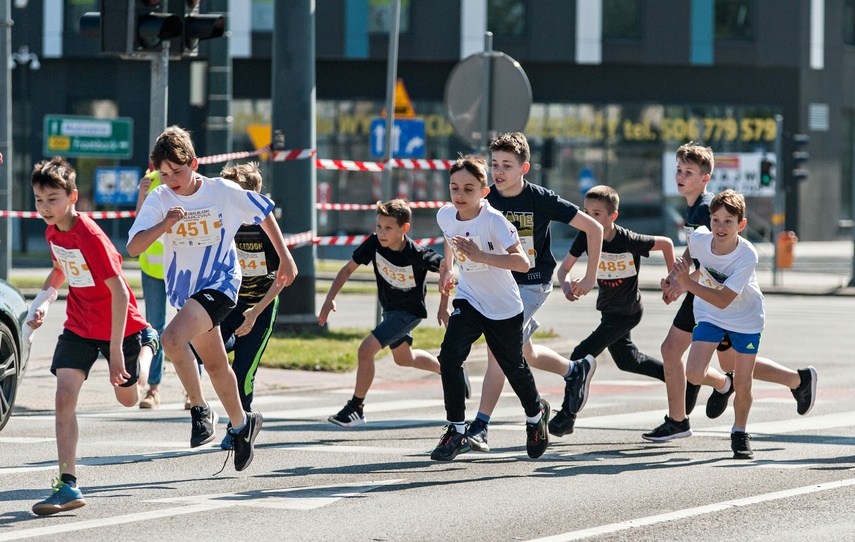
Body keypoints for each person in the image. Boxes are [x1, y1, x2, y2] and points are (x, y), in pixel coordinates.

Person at [127, 126, 297, 472]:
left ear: (194, 162)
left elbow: (263, 211)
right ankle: (242, 423)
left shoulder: (221, 191)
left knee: (172, 339)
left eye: (177, 171)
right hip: (187, 292)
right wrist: (165, 224)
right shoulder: (161, 199)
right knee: (218, 365)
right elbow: (133, 247)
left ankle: (200, 409)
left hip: (221, 284)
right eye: (164, 174)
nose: (171, 180)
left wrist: (285, 257)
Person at [644, 143, 816, 442]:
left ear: (705, 178)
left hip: (711, 292)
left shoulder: (706, 207)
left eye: (689, 172)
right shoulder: (695, 208)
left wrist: (680, 282)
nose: (681, 177)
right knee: (727, 363)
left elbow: (703, 258)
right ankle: (796, 380)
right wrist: (674, 278)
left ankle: (679, 418)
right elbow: (693, 251)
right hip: (703, 289)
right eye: (679, 171)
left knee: (672, 350)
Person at [26, 157, 151, 516]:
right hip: (80, 324)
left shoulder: (91, 236)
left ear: (72, 197)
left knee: (129, 398)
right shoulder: (53, 233)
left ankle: (147, 347)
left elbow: (122, 294)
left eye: (52, 198)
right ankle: (67, 484)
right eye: (38, 199)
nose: (45, 207)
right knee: (64, 396)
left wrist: (114, 353)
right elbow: (59, 271)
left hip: (119, 325)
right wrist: (45, 302)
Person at [466, 131, 603, 452]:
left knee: (498, 350)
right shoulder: (487, 200)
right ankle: (575, 370)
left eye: (507, 166)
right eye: (495, 165)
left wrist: (590, 275)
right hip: (500, 284)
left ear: (524, 168)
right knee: (522, 351)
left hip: (532, 283)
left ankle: (481, 426)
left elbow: (594, 228)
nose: (499, 172)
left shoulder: (541, 199)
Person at [431, 154, 550, 461]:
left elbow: (522, 262)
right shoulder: (445, 215)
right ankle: (456, 430)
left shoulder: (495, 221)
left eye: (469, 189)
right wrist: (448, 277)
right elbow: (450, 247)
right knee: (449, 357)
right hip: (469, 299)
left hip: (503, 308)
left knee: (513, 366)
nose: (459, 194)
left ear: (484, 191)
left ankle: (536, 417)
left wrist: (481, 255)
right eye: (454, 187)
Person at [549, 185, 675, 436]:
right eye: (585, 212)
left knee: (580, 353)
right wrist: (566, 286)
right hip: (609, 312)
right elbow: (563, 270)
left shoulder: (627, 239)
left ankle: (566, 416)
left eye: (596, 213)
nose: (588, 218)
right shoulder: (585, 236)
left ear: (612, 217)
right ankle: (677, 378)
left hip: (628, 312)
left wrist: (673, 280)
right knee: (628, 360)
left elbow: (667, 244)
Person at [318, 199, 451, 428]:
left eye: (388, 228)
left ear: (404, 228)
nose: (381, 232)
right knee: (403, 359)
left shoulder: (416, 253)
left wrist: (443, 305)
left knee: (365, 349)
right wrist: (330, 298)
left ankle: (356, 408)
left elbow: (445, 270)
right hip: (390, 310)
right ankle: (448, 371)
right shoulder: (374, 245)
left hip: (409, 313)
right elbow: (348, 268)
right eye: (378, 226)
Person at [191, 162, 293, 449]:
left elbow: (283, 278)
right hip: (230, 304)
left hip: (260, 306)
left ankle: (240, 424)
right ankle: (203, 410)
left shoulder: (265, 232)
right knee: (200, 354)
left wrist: (254, 314)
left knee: (243, 370)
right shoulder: (223, 225)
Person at [672, 189, 765, 458]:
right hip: (709, 312)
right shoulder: (702, 237)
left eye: (728, 221)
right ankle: (724, 384)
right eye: (715, 220)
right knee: (694, 373)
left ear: (741, 225)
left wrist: (687, 283)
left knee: (745, 383)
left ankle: (740, 432)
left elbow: (725, 299)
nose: (720, 227)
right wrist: (676, 277)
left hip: (745, 317)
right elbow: (694, 251)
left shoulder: (747, 255)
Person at [136, 168, 169, 410]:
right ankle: (153, 388)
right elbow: (139, 225)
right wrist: (141, 194)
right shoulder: (150, 180)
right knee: (155, 326)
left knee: (193, 327)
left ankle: (192, 391)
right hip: (152, 268)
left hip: (182, 266)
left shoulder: (186, 180)